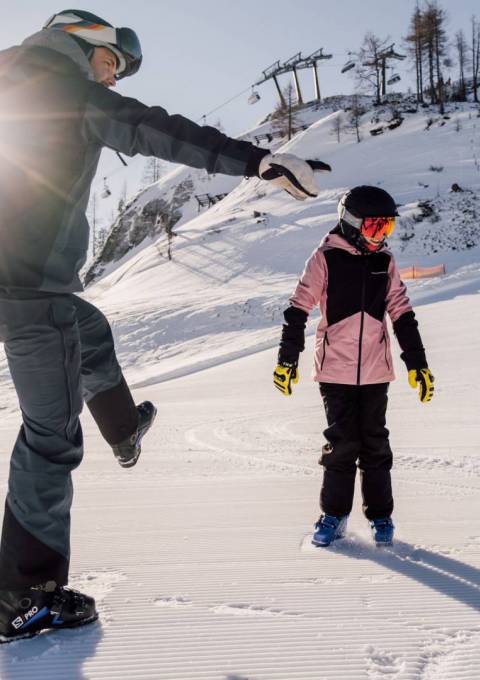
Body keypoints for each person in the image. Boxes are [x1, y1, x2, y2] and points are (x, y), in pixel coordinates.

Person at [0, 9, 329, 642]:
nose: (113, 80)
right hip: (27, 290)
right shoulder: (63, 91)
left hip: (26, 290)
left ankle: (123, 428)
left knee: (87, 326)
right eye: (110, 65)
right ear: (82, 44)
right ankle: (24, 597)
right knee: (49, 438)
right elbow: (157, 131)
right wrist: (258, 161)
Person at [273, 186, 434, 548]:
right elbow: (297, 309)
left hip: (376, 370)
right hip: (335, 370)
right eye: (376, 228)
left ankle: (380, 516)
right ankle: (334, 514)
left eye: (387, 229)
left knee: (375, 443)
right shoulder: (325, 258)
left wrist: (417, 364)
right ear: (351, 223)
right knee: (342, 444)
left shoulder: (384, 262)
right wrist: (287, 358)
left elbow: (402, 313)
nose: (381, 238)